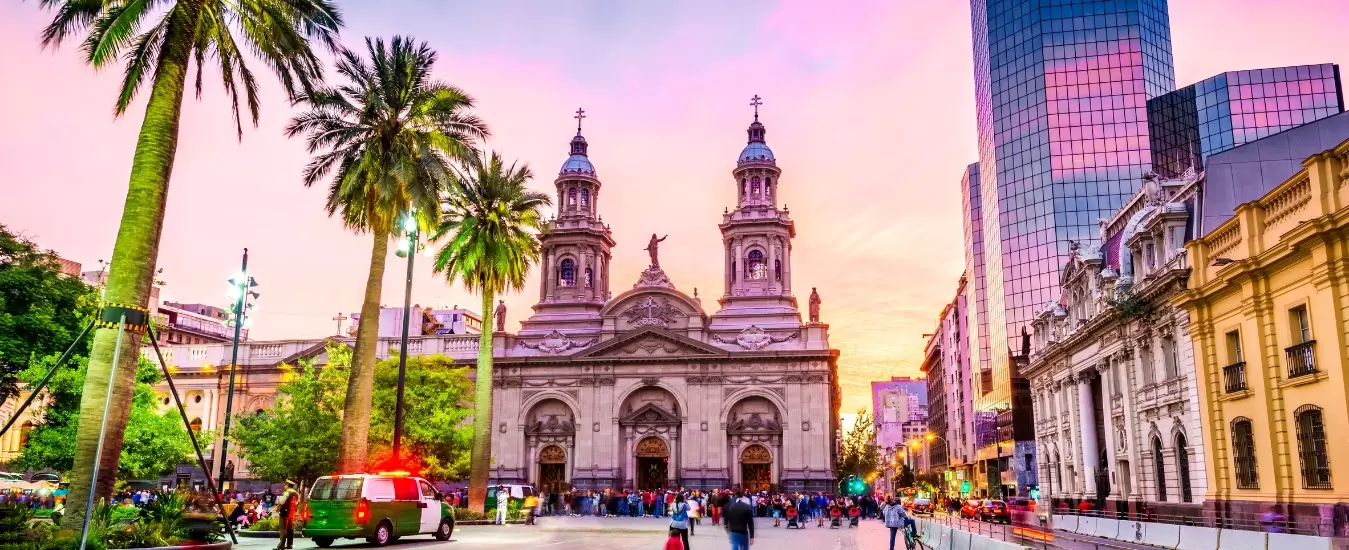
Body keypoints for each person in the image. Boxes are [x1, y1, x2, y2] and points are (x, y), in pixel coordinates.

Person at [275, 480, 299, 550]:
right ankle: (290, 544)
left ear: (287, 485)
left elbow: (281, 502)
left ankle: (281, 546)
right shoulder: (296, 493)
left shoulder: (287, 493)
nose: (284, 486)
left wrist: (279, 499)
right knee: (290, 529)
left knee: (283, 529)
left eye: (285, 485)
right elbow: (297, 503)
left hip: (284, 513)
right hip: (292, 513)